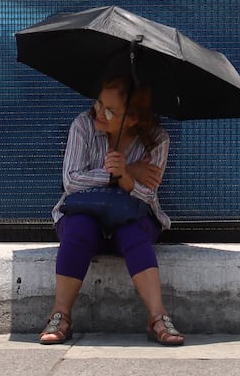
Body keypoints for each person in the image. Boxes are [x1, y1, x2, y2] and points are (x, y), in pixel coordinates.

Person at [39, 74, 184, 346]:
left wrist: (127, 177)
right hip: (85, 215)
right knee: (81, 227)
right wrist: (116, 174)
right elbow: (71, 181)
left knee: (132, 231)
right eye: (97, 103)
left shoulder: (157, 139)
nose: (98, 113)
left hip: (133, 217)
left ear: (132, 119)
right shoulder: (83, 125)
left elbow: (148, 195)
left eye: (109, 110)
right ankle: (60, 314)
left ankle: (157, 317)